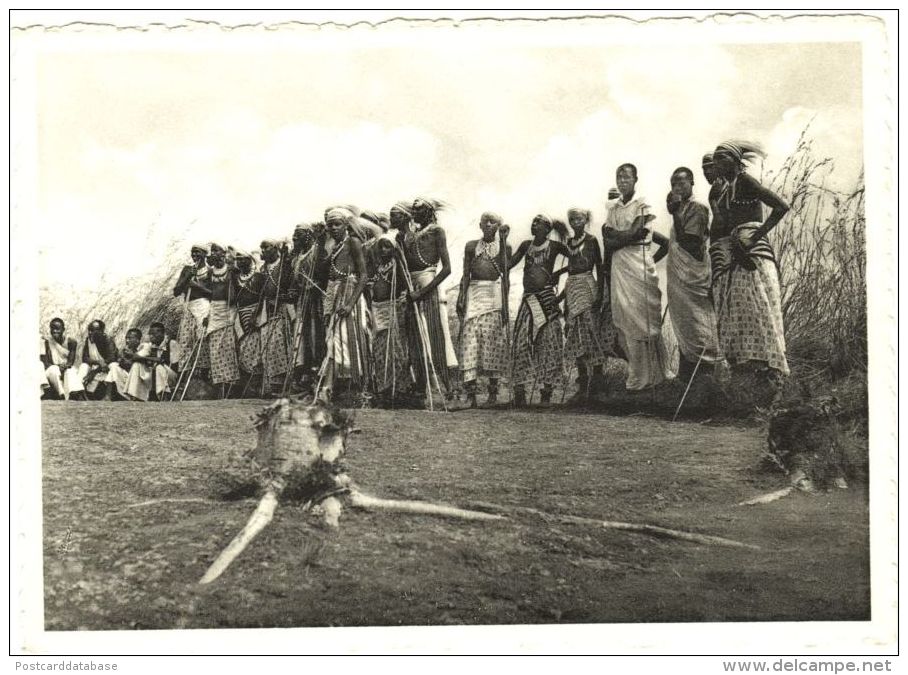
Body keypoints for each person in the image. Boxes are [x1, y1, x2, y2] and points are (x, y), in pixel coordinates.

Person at [709, 140, 790, 380]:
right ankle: (749, 373)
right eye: (715, 160)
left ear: (735, 161)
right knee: (739, 311)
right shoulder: (725, 190)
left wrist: (755, 237)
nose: (718, 164)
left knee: (758, 307)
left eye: (723, 158)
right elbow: (722, 225)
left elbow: (781, 206)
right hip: (736, 251)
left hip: (752, 252)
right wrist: (714, 203)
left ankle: (770, 372)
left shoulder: (745, 181)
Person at [603, 163, 675, 391]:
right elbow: (609, 237)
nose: (622, 180)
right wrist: (628, 236)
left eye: (626, 176)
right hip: (620, 266)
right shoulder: (613, 208)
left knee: (643, 318)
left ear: (635, 178)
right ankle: (637, 375)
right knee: (624, 318)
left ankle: (654, 375)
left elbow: (635, 233)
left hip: (639, 264)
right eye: (618, 176)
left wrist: (620, 237)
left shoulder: (643, 203)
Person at [505, 214, 569, 406]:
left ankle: (546, 393)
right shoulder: (526, 245)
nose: (533, 225)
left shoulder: (556, 247)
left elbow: (577, 261)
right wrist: (503, 241)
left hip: (547, 300)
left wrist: (558, 273)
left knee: (550, 343)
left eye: (538, 223)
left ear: (547, 229)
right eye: (532, 221)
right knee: (521, 343)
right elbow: (506, 265)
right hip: (529, 300)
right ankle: (520, 391)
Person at [665, 167, 722, 381]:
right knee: (685, 324)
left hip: (693, 277)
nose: (677, 188)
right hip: (679, 279)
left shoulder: (697, 208)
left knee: (698, 323)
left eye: (681, 183)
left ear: (691, 183)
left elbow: (689, 243)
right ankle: (686, 378)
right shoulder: (681, 209)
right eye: (673, 185)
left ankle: (706, 378)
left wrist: (676, 213)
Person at [398, 198, 459, 396]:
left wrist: (422, 292)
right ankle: (422, 386)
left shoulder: (436, 231)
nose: (415, 212)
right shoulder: (409, 235)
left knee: (434, 335)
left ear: (429, 211)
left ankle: (448, 389)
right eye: (413, 209)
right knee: (415, 338)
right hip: (412, 288)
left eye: (420, 209)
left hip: (427, 286)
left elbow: (447, 269)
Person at [455, 212, 511, 407]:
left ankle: (493, 395)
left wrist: (504, 306)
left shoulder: (505, 247)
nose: (488, 224)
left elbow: (506, 274)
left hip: (494, 296)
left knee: (492, 345)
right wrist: (462, 297)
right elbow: (465, 273)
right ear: (479, 225)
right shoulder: (471, 246)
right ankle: (471, 395)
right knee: (470, 343)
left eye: (493, 221)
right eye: (485, 221)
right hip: (474, 294)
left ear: (498, 226)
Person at [319, 207, 370, 401]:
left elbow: (363, 276)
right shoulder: (334, 247)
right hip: (335, 296)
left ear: (346, 225)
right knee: (333, 340)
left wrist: (349, 304)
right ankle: (329, 387)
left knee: (349, 340)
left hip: (350, 296)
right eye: (329, 225)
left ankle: (353, 387)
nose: (332, 228)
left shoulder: (353, 242)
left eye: (337, 224)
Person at [560, 207, 609, 398]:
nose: (575, 222)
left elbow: (599, 266)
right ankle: (583, 384)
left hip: (588, 285)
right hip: (572, 287)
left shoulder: (591, 240)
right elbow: (571, 269)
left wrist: (599, 294)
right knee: (574, 332)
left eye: (579, 218)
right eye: (572, 219)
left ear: (585, 220)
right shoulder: (570, 242)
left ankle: (597, 383)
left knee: (590, 331)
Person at [367, 232, 411, 403]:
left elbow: (406, 286)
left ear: (394, 250)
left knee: (395, 351)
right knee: (379, 351)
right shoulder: (377, 268)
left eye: (388, 247)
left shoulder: (397, 266)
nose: (384, 250)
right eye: (381, 247)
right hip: (377, 310)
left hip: (392, 308)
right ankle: (383, 389)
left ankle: (397, 390)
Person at [287, 223, 327, 394]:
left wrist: (317, 284)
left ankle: (316, 374)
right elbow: (295, 282)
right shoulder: (297, 257)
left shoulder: (318, 252)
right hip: (302, 301)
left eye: (299, 234)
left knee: (315, 335)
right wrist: (293, 291)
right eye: (294, 234)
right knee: (301, 337)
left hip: (315, 301)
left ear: (309, 235)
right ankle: (303, 375)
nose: (295, 238)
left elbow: (324, 274)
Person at [257, 239, 295, 396]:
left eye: (266, 247)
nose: (263, 250)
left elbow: (287, 283)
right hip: (268, 311)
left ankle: (283, 385)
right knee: (268, 346)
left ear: (276, 249)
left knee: (280, 344)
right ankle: (271, 385)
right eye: (262, 247)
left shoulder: (285, 265)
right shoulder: (263, 268)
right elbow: (262, 293)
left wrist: (282, 297)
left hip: (282, 310)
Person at [203, 243, 241, 393]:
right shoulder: (210, 272)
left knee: (228, 347)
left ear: (223, 252)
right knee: (214, 348)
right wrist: (207, 314)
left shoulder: (231, 270)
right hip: (214, 310)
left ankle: (230, 384)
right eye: (212, 251)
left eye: (217, 250)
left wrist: (231, 260)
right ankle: (219, 383)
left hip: (227, 310)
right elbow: (209, 293)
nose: (214, 253)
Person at [173, 244, 211, 374]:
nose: (194, 255)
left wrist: (197, 286)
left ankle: (203, 374)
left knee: (203, 340)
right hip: (189, 307)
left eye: (198, 252)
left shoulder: (210, 271)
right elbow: (176, 291)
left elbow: (214, 294)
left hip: (204, 307)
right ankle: (185, 373)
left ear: (205, 254)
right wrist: (187, 277)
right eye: (192, 252)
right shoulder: (187, 269)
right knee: (185, 340)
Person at [123, 322, 177, 401]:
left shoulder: (171, 343)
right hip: (157, 372)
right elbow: (140, 357)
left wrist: (144, 358)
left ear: (162, 333)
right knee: (136, 365)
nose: (151, 337)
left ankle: (163, 395)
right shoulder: (151, 345)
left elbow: (165, 362)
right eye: (150, 334)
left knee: (158, 367)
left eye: (153, 334)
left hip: (171, 374)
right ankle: (134, 395)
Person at [231, 249, 264, 379]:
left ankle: (256, 380)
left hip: (256, 314)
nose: (240, 261)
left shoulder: (259, 277)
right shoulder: (235, 278)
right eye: (237, 259)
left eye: (243, 258)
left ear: (250, 260)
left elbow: (262, 298)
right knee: (243, 346)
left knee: (256, 346)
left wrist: (256, 316)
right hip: (241, 315)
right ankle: (248, 380)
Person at [40, 318, 82, 400]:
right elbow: (45, 363)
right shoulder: (47, 342)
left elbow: (70, 362)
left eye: (57, 329)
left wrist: (64, 367)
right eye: (53, 328)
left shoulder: (71, 342)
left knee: (70, 371)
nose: (55, 331)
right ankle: (61, 395)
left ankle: (75, 394)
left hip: (65, 368)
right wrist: (58, 366)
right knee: (54, 369)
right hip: (51, 370)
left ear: (63, 329)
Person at [77, 319, 118, 399]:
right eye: (89, 330)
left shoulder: (107, 340)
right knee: (83, 366)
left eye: (93, 330)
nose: (90, 333)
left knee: (113, 365)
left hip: (105, 369)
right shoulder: (88, 340)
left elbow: (112, 358)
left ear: (101, 331)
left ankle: (108, 395)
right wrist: (98, 362)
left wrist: (94, 372)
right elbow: (85, 358)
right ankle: (80, 393)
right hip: (96, 367)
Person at [106, 328, 143, 400]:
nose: (127, 341)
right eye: (126, 338)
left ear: (137, 340)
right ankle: (108, 395)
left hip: (138, 380)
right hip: (126, 377)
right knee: (113, 365)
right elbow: (120, 363)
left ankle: (111, 395)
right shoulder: (123, 350)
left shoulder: (143, 350)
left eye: (130, 338)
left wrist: (131, 357)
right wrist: (122, 359)